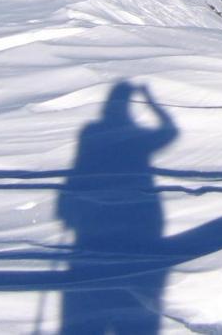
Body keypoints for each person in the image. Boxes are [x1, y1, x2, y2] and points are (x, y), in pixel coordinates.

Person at [56, 81, 178, 334]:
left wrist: (66, 204)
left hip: (94, 215)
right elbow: (170, 131)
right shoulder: (137, 136)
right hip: (138, 215)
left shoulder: (91, 131)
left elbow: (76, 168)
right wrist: (150, 100)